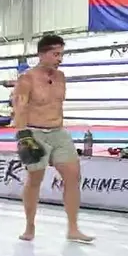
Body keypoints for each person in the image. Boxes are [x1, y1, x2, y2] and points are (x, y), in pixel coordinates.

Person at [11, 34, 95, 244]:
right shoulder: (27, 78)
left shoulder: (61, 77)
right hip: (34, 132)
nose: (60, 59)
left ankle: (73, 229)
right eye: (56, 54)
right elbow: (19, 108)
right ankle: (30, 226)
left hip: (58, 132)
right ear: (42, 54)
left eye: (61, 54)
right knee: (34, 180)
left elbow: (56, 106)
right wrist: (23, 137)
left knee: (73, 176)